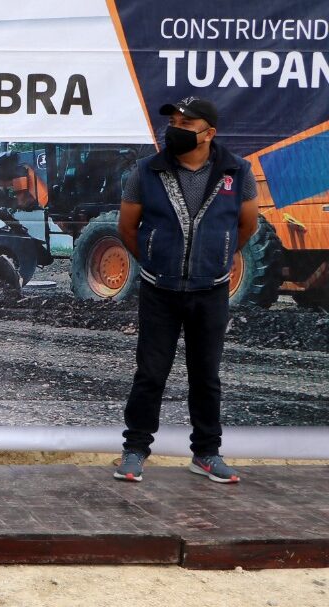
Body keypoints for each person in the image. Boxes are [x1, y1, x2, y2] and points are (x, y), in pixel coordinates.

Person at [114, 97, 258, 484]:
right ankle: (135, 451)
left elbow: (247, 225)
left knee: (206, 375)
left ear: (209, 133)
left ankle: (206, 454)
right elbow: (127, 227)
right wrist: (152, 261)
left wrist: (219, 257)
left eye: (186, 122)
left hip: (209, 293)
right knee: (151, 373)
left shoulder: (238, 172)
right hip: (159, 291)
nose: (175, 127)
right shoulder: (145, 171)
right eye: (173, 120)